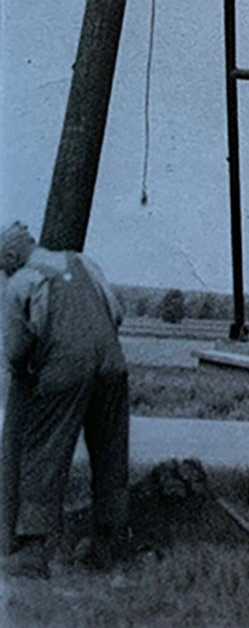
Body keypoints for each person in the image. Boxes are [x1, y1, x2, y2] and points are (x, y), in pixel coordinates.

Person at [0, 221, 129, 578]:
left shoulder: (21, 282)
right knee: (111, 449)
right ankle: (109, 542)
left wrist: (32, 373)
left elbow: (13, 351)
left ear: (10, 258)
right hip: (112, 363)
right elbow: (116, 312)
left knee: (43, 449)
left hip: (65, 366)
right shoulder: (83, 263)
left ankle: (32, 550)